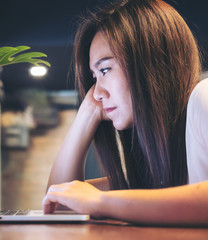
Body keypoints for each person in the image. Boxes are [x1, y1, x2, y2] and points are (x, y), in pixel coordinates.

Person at [42, 0, 208, 226]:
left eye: (105, 69)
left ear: (151, 60)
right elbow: (60, 204)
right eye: (94, 77)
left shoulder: (203, 96)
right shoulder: (157, 164)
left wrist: (101, 201)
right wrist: (87, 113)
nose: (96, 92)